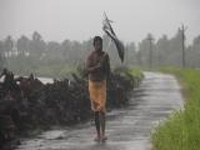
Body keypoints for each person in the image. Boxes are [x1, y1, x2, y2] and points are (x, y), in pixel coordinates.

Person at [86, 36, 110, 142]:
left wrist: (104, 65)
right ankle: (98, 134)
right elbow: (86, 70)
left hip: (102, 84)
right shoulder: (90, 56)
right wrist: (96, 67)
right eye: (97, 44)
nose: (98, 46)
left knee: (102, 109)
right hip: (93, 85)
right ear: (94, 45)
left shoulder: (105, 55)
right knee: (96, 111)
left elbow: (108, 70)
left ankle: (103, 134)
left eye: (100, 44)